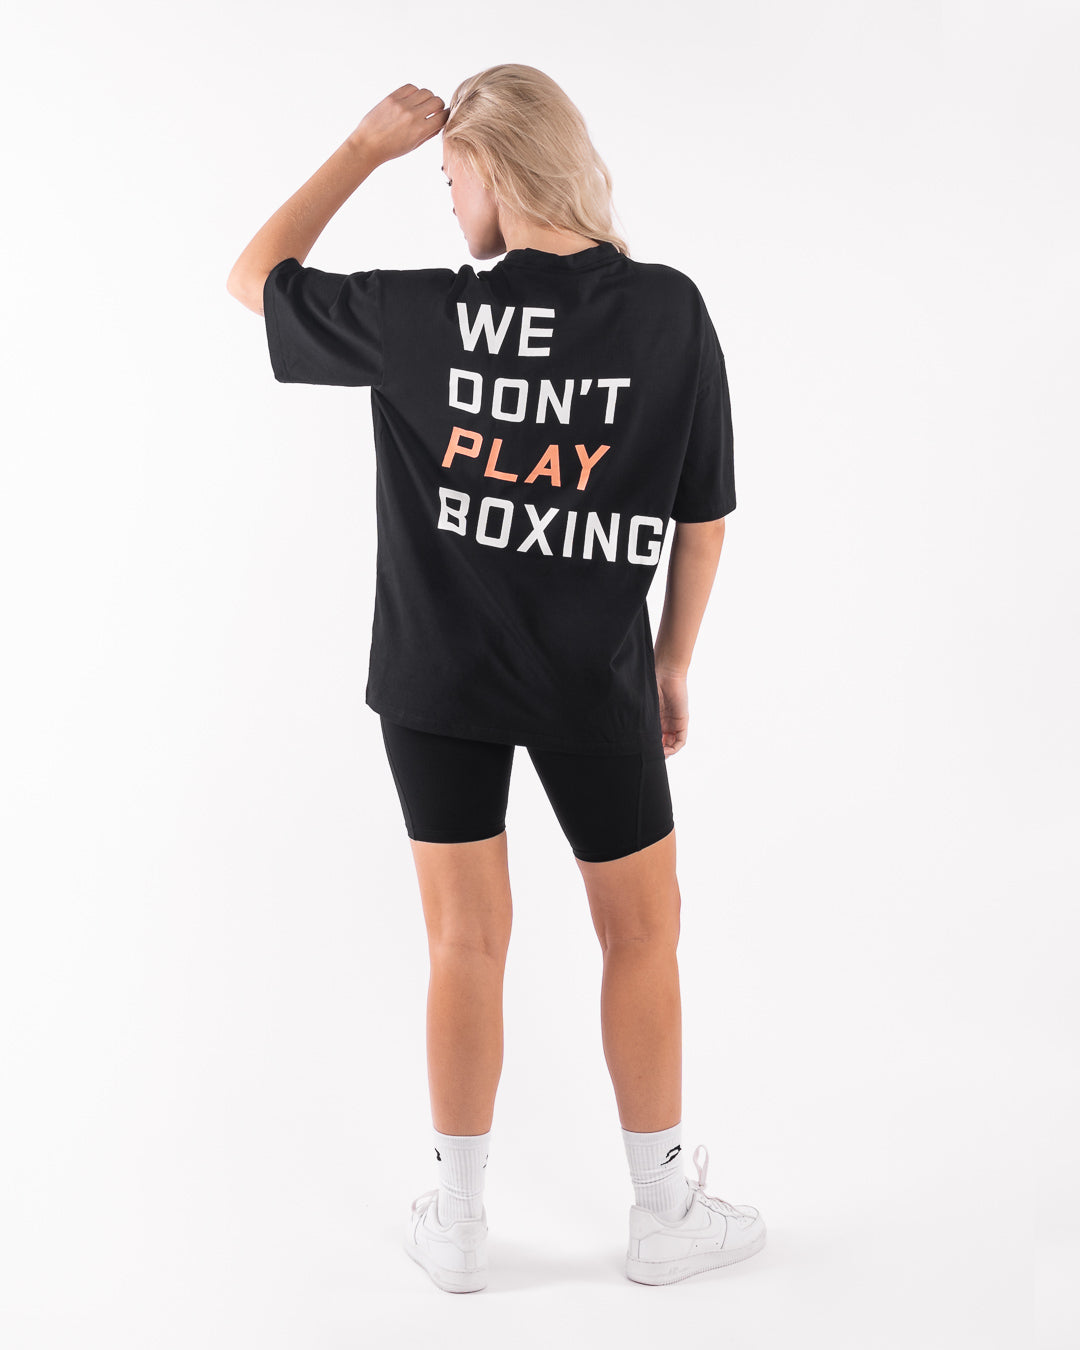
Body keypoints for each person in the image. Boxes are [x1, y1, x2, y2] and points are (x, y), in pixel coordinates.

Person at [227, 63, 765, 1292]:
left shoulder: (421, 316)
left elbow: (254, 277)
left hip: (435, 683)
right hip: (594, 684)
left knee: (464, 942)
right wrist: (672, 661)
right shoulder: (668, 311)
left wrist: (360, 148)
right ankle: (663, 1210)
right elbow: (704, 518)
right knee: (643, 932)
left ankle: (460, 1225)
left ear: (491, 167)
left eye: (446, 175)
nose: (448, 196)